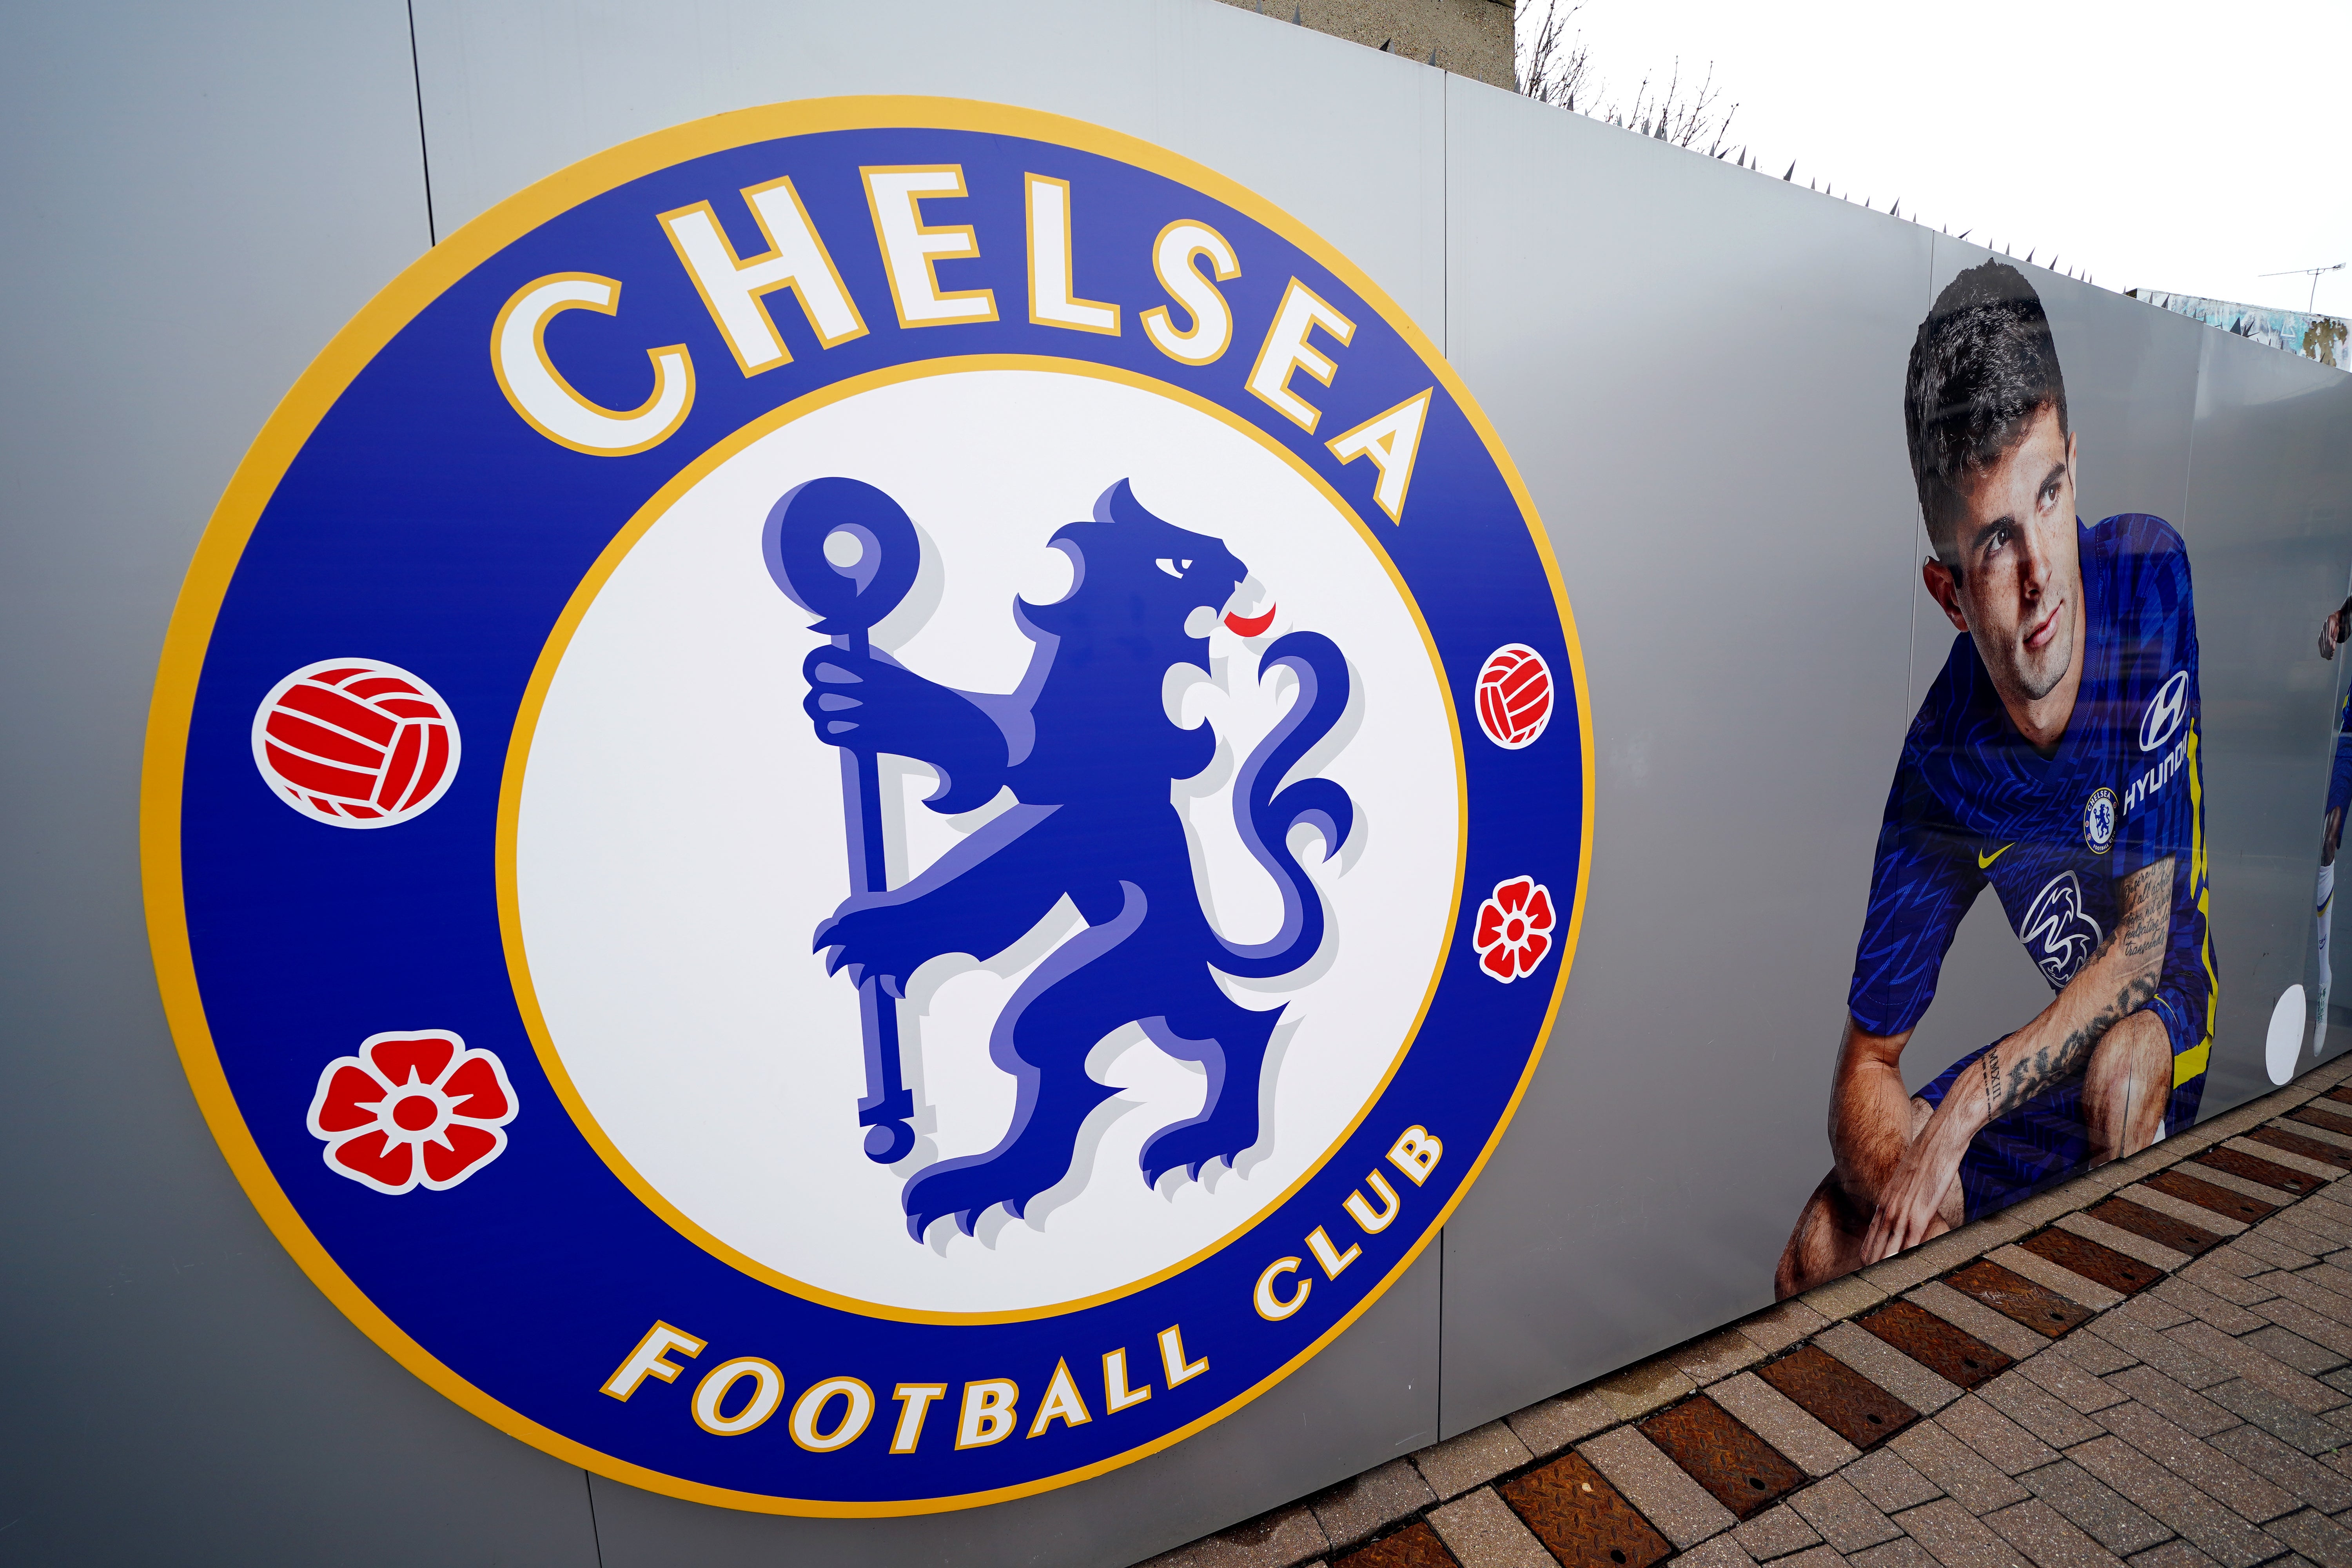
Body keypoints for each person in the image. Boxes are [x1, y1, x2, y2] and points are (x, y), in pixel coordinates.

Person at [1775, 262, 2214, 1298]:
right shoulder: (1944, 760)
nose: (2040, 577)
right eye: (1996, 540)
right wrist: (1917, 1182)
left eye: (2051, 495)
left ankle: (2128, 1373)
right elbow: (1862, 1075)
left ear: (2075, 468)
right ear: (1949, 593)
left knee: (2122, 1075)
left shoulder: (2147, 575)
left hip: (2167, 1019)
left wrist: (1963, 1109)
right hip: (2052, 1059)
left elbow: (2147, 950)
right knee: (1817, 1248)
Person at [2310, 600, 2352, 1051]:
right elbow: (2337, 631)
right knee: (2327, 838)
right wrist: (2336, 624)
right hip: (2351, 735)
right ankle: (2324, 977)